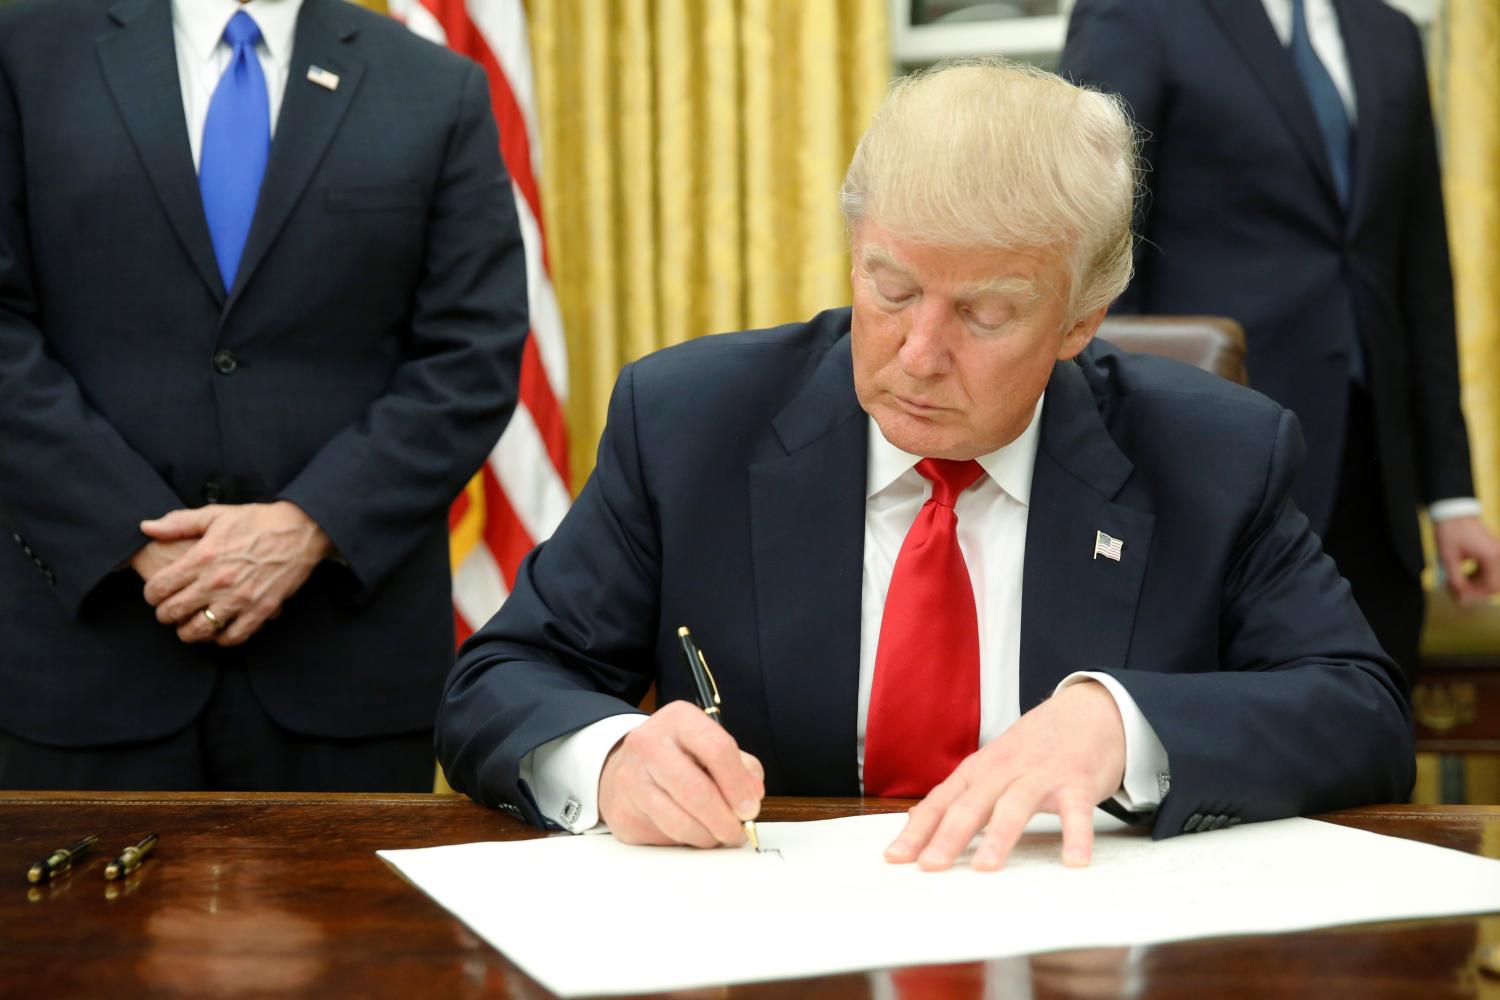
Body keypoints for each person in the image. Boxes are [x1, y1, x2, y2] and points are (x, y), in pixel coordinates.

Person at [436, 58, 1413, 871]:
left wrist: (1126, 724)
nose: (917, 353)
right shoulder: (693, 421)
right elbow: (502, 677)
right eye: (891, 286)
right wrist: (609, 758)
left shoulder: (1213, 454)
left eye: (984, 314)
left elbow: (1363, 716)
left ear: (1079, 318)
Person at [0, 0, 526, 790]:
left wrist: (307, 525)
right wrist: (135, 537)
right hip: (83, 667)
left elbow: (471, 357)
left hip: (344, 679)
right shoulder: (23, 54)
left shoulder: (436, 86)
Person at [1058, 0, 1500, 686]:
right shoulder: (1138, 14)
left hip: (1372, 476)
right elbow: (1097, 240)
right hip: (1201, 462)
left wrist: (1452, 496)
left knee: (1373, 728)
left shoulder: (1389, 33)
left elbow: (1420, 265)